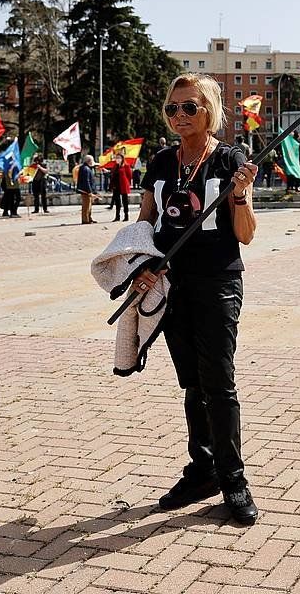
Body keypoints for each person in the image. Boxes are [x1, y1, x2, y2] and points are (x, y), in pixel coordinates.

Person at [131, 73, 260, 524]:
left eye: (189, 107)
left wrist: (239, 195)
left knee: (219, 383)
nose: (179, 116)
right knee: (192, 384)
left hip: (218, 284)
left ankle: (233, 480)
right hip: (172, 285)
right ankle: (202, 468)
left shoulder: (229, 159)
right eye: (172, 108)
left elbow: (244, 236)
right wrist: (141, 268)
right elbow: (145, 224)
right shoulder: (162, 161)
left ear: (209, 111)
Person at [111, 153, 133, 222]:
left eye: (119, 158)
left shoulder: (126, 166)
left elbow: (129, 176)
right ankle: (117, 216)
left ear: (122, 158)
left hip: (123, 186)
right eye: (116, 158)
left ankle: (126, 216)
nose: (117, 159)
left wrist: (127, 184)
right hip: (116, 186)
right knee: (117, 202)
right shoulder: (115, 166)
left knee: (125, 201)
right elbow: (113, 175)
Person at [77, 154, 96, 224]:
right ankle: (85, 220)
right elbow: (86, 181)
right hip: (85, 190)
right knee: (86, 206)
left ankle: (89, 218)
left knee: (89, 205)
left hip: (86, 190)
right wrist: (89, 191)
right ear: (89, 161)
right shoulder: (85, 169)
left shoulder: (86, 168)